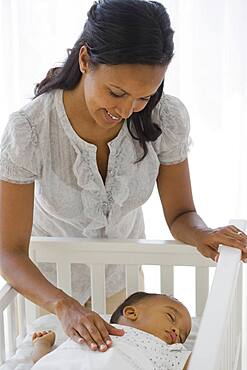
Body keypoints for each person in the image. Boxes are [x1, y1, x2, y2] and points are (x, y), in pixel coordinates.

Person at [0, 0, 246, 354]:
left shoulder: (165, 117)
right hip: (51, 292)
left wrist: (203, 233)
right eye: (116, 93)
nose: (126, 110)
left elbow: (180, 215)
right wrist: (63, 305)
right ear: (85, 61)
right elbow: (9, 252)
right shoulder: (31, 130)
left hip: (125, 285)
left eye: (143, 97)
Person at [31, 292, 192, 369]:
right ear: (131, 313)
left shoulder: (169, 350)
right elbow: (52, 361)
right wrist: (43, 345)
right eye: (171, 317)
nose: (176, 331)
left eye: (182, 336)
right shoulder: (89, 329)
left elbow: (199, 362)